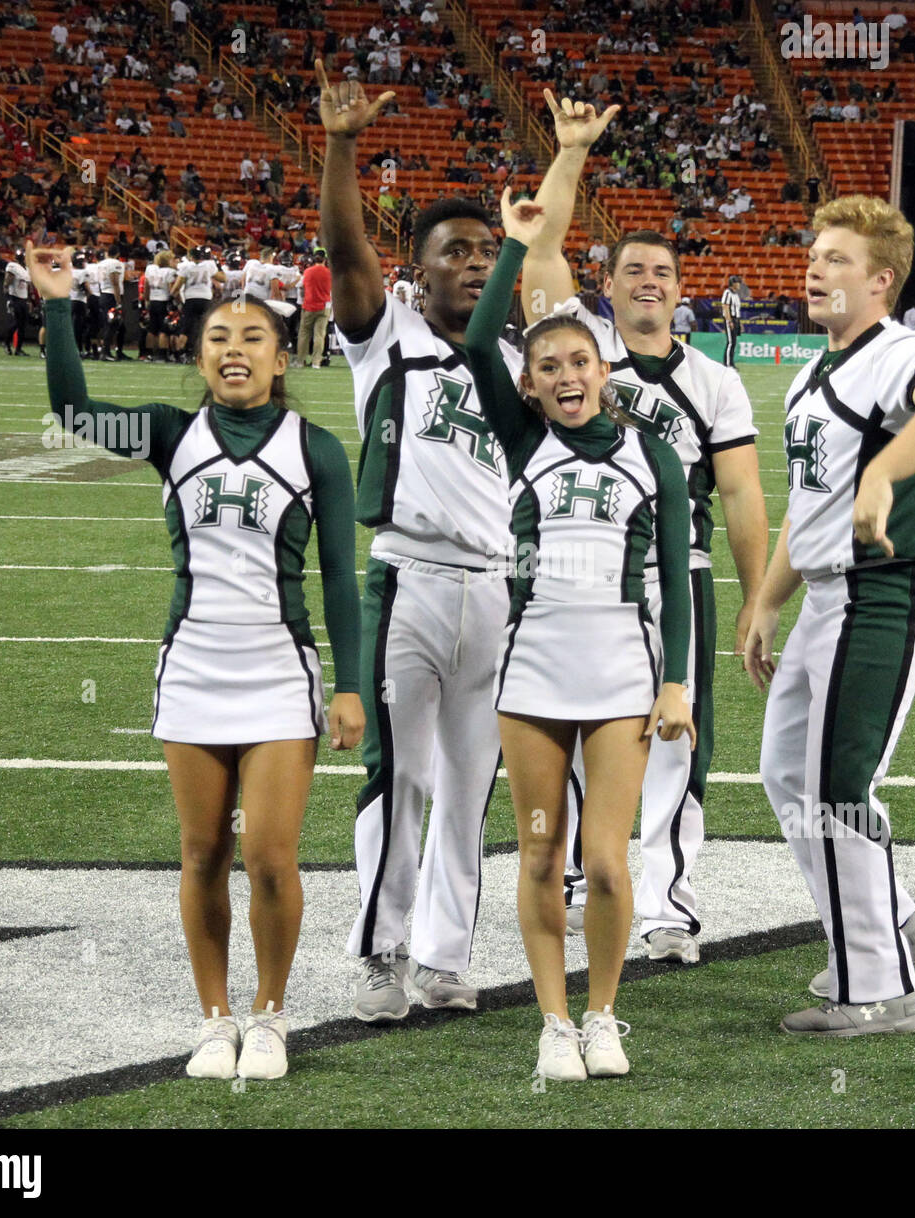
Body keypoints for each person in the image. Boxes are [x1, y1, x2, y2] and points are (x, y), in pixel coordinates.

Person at [26, 241, 364, 1079]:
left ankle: (272, 1014)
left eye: (253, 337)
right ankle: (214, 1019)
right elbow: (73, 413)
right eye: (218, 337)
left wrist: (351, 685)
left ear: (282, 357)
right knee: (203, 852)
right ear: (200, 354)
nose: (234, 349)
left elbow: (341, 581)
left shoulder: (315, 447)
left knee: (271, 856)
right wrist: (59, 305)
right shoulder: (171, 432)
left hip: (281, 673)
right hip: (194, 668)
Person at [522, 91, 768, 964]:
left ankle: (664, 903)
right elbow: (540, 247)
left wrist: (755, 598)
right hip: (579, 571)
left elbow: (739, 495)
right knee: (585, 727)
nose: (649, 284)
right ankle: (595, 879)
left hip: (681, 571)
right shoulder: (581, 349)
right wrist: (572, 152)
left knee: (677, 738)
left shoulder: (715, 382)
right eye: (633, 272)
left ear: (679, 288)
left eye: (663, 273)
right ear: (611, 284)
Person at [465, 190, 695, 1079]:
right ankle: (552, 1022)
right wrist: (518, 250)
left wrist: (677, 684)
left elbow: (675, 581)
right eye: (548, 366)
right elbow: (480, 340)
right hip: (530, 677)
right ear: (530, 384)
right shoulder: (523, 439)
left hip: (621, 678)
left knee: (605, 859)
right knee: (537, 848)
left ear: (604, 370)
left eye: (579, 362)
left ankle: (603, 1014)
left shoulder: (654, 453)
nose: (565, 376)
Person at [743, 196, 915, 1035]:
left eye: (838, 258)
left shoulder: (902, 350)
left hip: (881, 593)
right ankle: (895, 915)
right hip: (824, 600)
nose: (815, 266)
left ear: (880, 281)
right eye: (814, 253)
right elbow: (809, 507)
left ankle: (878, 989)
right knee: (785, 776)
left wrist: (884, 476)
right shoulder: (815, 369)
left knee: (840, 790)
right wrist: (768, 601)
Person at [318, 62, 518, 1020]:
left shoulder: (520, 363)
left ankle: (443, 955)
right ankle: (383, 950)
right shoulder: (384, 334)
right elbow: (346, 253)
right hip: (405, 578)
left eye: (487, 250)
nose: (476, 263)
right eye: (455, 251)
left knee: (471, 785)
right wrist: (342, 145)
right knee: (398, 776)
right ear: (418, 270)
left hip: (498, 592)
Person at [172, 245, 224, 362]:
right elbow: (223, 279)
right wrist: (218, 268)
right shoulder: (209, 266)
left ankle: (181, 354)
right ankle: (204, 353)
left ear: (191, 256)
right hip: (205, 299)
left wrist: (176, 298)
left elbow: (176, 287)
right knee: (205, 328)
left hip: (190, 299)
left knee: (186, 328)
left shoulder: (185, 267)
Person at [300, 248, 333, 368]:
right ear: (325, 259)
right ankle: (316, 362)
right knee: (319, 335)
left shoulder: (308, 272)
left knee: (304, 334)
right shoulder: (329, 273)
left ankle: (301, 360)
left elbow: (303, 288)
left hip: (309, 305)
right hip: (324, 306)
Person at [143, 248, 178, 361]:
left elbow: (146, 286)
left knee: (152, 329)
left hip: (153, 300)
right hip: (164, 301)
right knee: (164, 330)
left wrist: (147, 300)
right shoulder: (170, 272)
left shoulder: (151, 269)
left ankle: (149, 354)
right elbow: (171, 288)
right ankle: (162, 355)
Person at [3, 248, 32, 355]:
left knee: (22, 325)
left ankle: (18, 349)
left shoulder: (27, 269)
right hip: (14, 298)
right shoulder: (13, 267)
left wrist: (29, 300)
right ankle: (6, 344)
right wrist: (8, 298)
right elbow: (6, 283)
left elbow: (28, 286)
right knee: (15, 323)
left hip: (23, 299)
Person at [721, 275, 743, 367]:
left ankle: (731, 362)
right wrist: (729, 321)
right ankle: (727, 364)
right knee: (730, 342)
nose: (739, 284)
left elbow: (737, 309)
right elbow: (725, 307)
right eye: (737, 282)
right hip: (731, 319)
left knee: (733, 342)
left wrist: (740, 323)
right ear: (733, 283)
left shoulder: (736, 295)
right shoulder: (727, 293)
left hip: (736, 319)